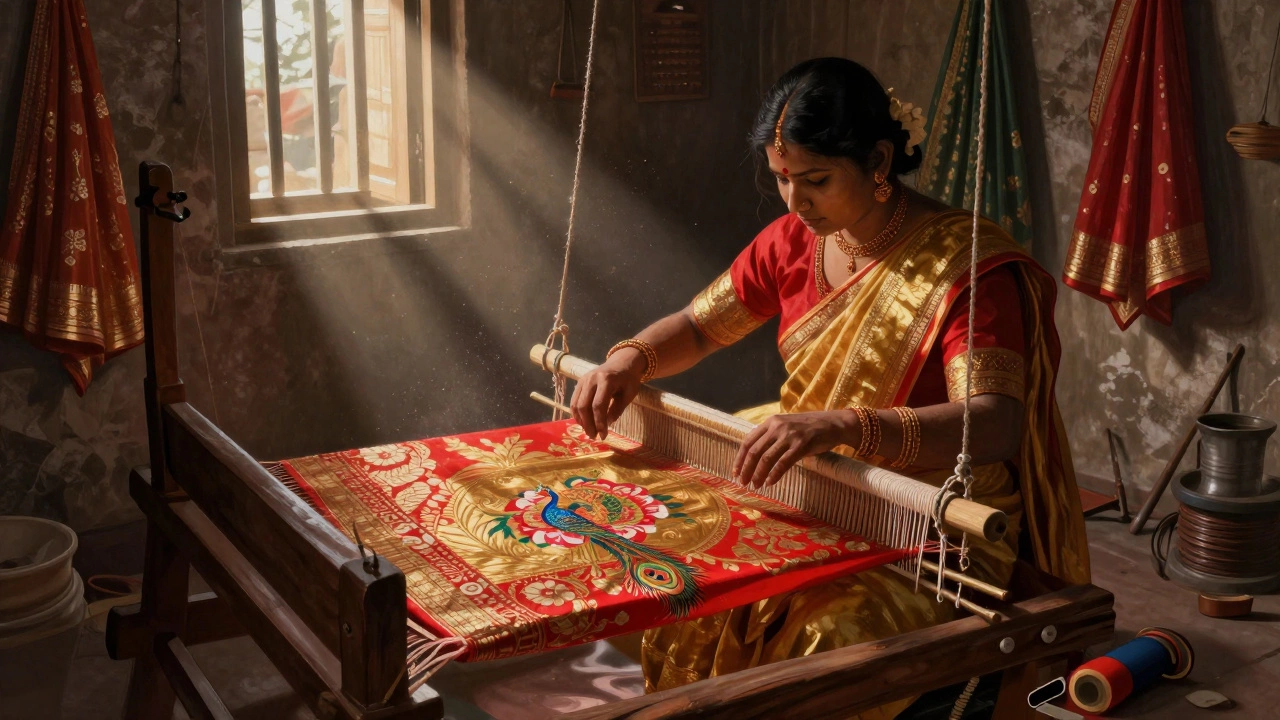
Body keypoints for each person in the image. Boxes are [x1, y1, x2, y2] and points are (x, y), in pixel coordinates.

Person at [569, 58, 1090, 718]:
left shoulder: (968, 269)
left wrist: (846, 426)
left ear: (878, 160)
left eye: (815, 180)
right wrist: (630, 360)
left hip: (932, 524)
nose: (795, 202)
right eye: (781, 179)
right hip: (813, 482)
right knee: (687, 573)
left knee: (823, 637)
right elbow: (700, 330)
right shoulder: (793, 243)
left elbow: (993, 424)